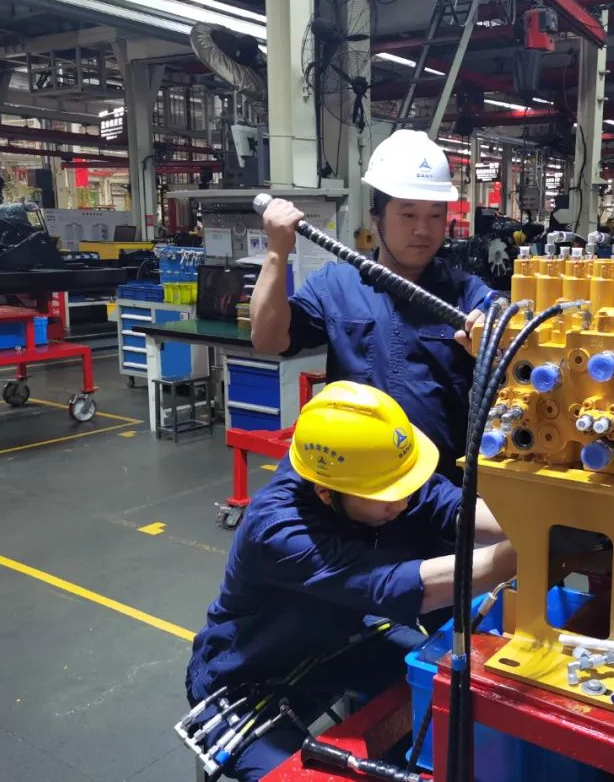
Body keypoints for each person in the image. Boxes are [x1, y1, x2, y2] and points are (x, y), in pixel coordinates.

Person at [185, 382, 515, 781]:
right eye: (389, 496)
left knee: (440, 677)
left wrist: (533, 523)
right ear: (327, 494)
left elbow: (445, 504)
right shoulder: (277, 531)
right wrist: (519, 554)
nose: (404, 502)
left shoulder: (359, 473)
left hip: (335, 640)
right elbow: (391, 585)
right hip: (247, 680)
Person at [250, 130, 491, 481]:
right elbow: (268, 339)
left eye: (435, 215)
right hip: (352, 482)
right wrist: (276, 252)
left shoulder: (466, 293)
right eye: (408, 215)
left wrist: (494, 330)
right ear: (376, 216)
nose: (423, 230)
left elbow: (510, 337)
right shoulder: (335, 285)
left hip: (438, 486)